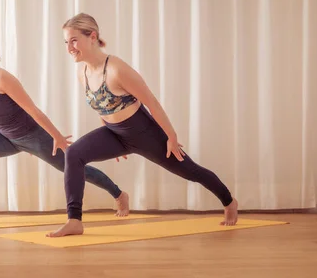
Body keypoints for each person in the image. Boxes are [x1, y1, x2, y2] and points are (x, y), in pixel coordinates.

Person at [47, 13, 238, 237]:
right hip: (115, 134)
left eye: (74, 40)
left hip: (145, 135)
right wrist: (106, 137)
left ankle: (228, 201)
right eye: (66, 42)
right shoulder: (83, 73)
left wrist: (171, 137)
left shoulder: (117, 69)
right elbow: (101, 105)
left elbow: (152, 103)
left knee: (190, 171)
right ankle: (74, 220)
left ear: (92, 36)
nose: (69, 47)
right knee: (74, 154)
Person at [0, 29, 129, 225]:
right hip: (5, 137)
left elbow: (33, 110)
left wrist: (56, 137)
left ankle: (119, 194)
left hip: (33, 136)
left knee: (72, 167)